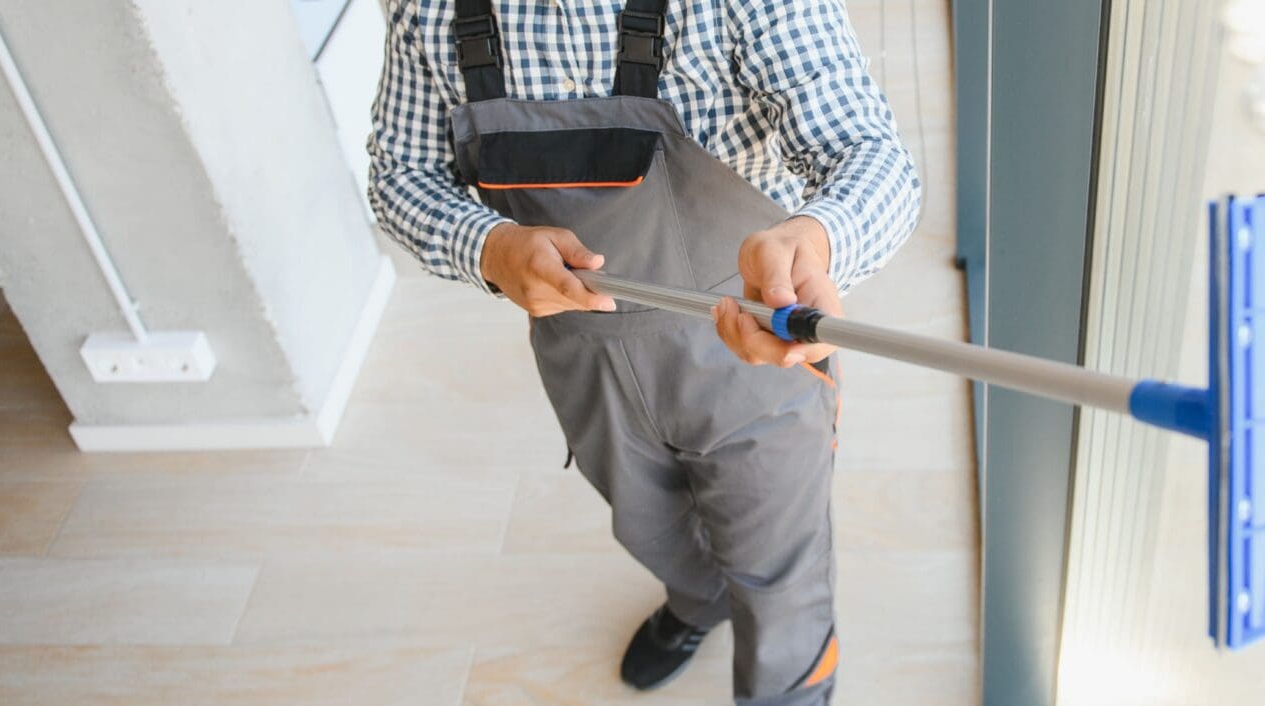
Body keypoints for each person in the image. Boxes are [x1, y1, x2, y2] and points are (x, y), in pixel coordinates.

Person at [366, 1, 921, 703]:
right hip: (584, 363)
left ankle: (789, 689)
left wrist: (816, 238)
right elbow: (399, 177)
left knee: (776, 567)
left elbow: (873, 155)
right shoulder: (428, 10)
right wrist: (490, 246)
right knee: (650, 530)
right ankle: (698, 605)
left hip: (749, 357)